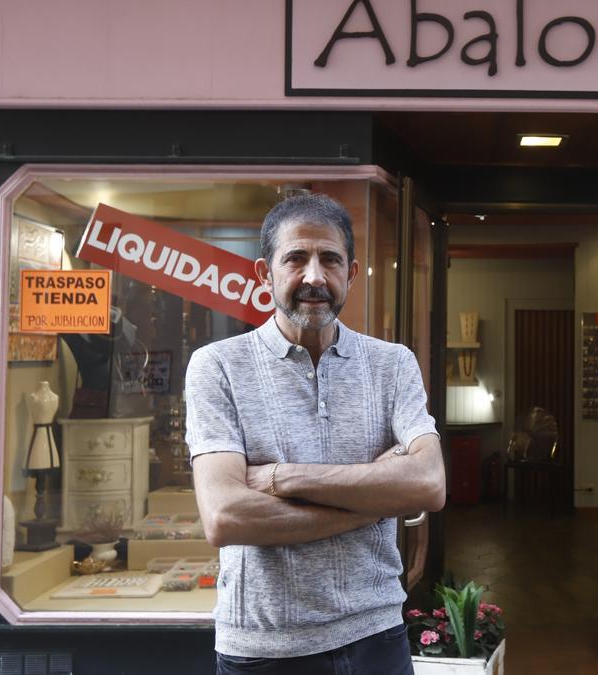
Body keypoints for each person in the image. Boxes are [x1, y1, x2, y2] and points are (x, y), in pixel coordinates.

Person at [185, 193, 446, 674]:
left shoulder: (393, 364)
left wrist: (280, 478)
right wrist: (378, 494)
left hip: (377, 636)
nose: (313, 277)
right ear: (265, 273)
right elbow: (224, 517)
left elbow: (428, 484)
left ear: (350, 272)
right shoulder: (218, 366)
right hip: (264, 648)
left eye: (329, 259)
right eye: (296, 259)